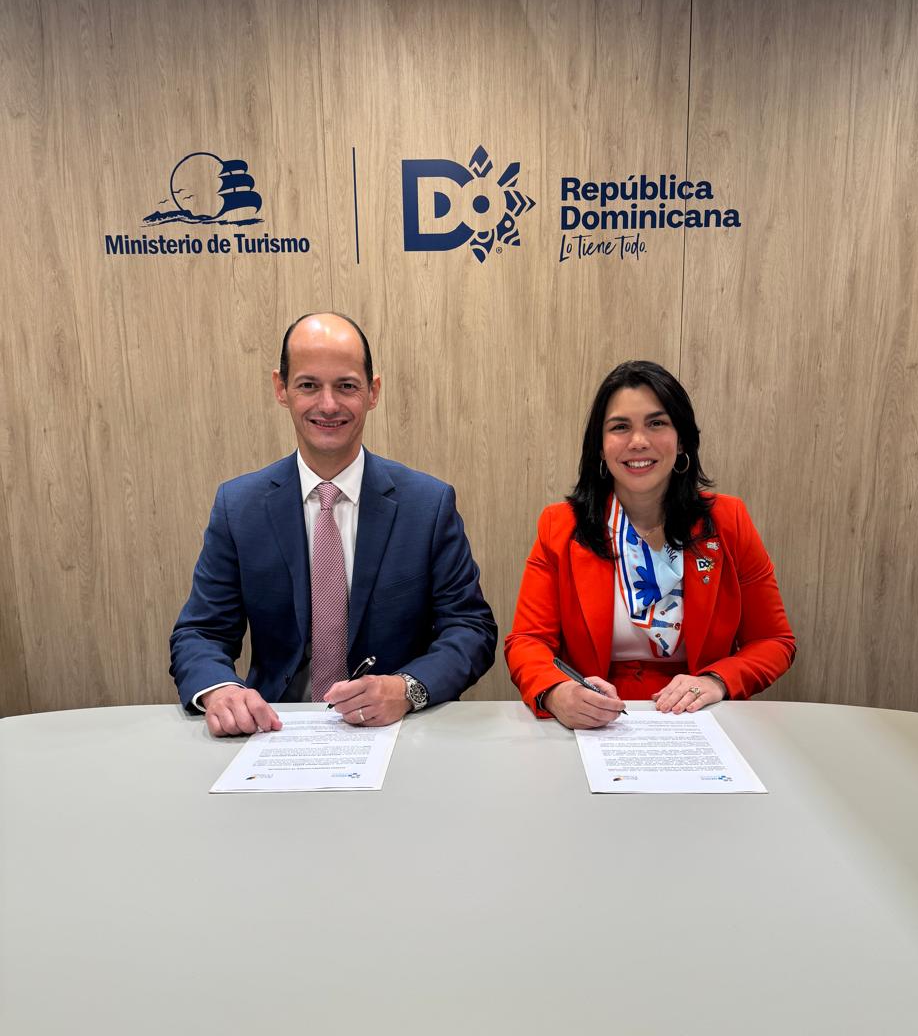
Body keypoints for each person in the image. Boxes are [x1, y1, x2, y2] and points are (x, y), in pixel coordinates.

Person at [171, 312, 497, 735]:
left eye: (346, 386)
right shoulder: (239, 507)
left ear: (373, 392)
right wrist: (221, 691)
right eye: (308, 385)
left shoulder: (428, 505)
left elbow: (470, 628)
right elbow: (201, 632)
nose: (328, 405)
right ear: (281, 389)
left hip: (396, 732)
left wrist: (407, 688)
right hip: (275, 730)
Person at [505, 360, 795, 728]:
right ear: (600, 447)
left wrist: (716, 681)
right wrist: (557, 692)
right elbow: (527, 641)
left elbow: (774, 640)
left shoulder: (728, 521)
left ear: (682, 438)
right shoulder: (560, 526)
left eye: (656, 423)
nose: (638, 441)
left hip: (700, 719)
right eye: (620, 427)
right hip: (595, 724)